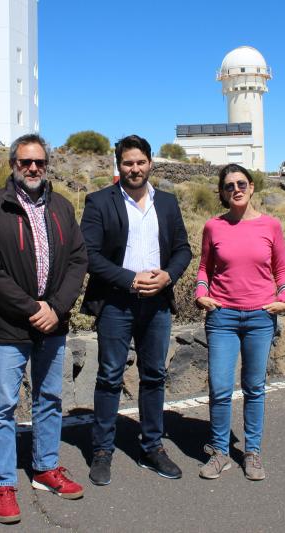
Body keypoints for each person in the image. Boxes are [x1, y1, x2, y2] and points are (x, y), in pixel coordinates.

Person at [0, 134, 88, 524]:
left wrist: (55, 308)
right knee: (3, 406)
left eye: (39, 161)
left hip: (53, 325)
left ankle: (45, 467)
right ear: (13, 165)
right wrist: (31, 309)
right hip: (8, 326)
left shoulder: (62, 207)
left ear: (47, 164)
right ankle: (4, 483)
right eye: (25, 162)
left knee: (50, 397)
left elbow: (77, 261)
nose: (33, 168)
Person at [80, 134, 192, 486]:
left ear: (150, 163)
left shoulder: (169, 203)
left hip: (157, 304)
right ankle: (101, 451)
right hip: (116, 303)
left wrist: (167, 277)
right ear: (119, 165)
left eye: (140, 162)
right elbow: (90, 255)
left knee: (154, 375)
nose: (134, 168)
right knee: (110, 377)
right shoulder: (99, 202)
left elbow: (183, 250)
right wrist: (130, 280)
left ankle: (152, 447)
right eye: (127, 162)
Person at [194, 163, 285, 481]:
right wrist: (200, 293)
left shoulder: (271, 225)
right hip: (222, 316)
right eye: (228, 186)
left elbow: (282, 269)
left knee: (254, 388)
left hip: (261, 316)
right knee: (221, 388)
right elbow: (204, 268)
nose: (235, 189)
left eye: (241, 183)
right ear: (222, 193)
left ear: (251, 187)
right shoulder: (213, 227)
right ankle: (221, 452)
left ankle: (252, 453)